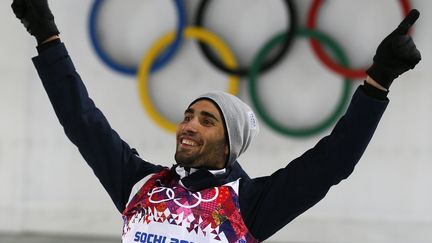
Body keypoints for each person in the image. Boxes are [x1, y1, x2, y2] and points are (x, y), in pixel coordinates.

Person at [12, 0, 421, 242]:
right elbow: (83, 121)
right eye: (189, 115)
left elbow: (333, 162)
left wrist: (376, 82)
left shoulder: (250, 203)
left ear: (230, 145)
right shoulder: (140, 183)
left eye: (207, 120)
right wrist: (47, 37)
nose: (189, 124)